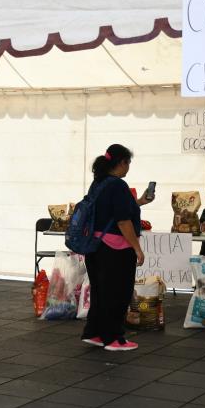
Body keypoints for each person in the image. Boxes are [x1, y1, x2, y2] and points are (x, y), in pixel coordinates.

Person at [81, 144, 154, 351]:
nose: (128, 168)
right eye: (128, 163)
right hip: (116, 248)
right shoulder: (118, 185)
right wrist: (137, 248)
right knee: (118, 293)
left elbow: (111, 213)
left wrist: (139, 202)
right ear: (122, 162)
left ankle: (94, 332)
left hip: (95, 246)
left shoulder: (98, 183)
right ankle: (114, 338)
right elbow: (123, 221)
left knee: (100, 292)